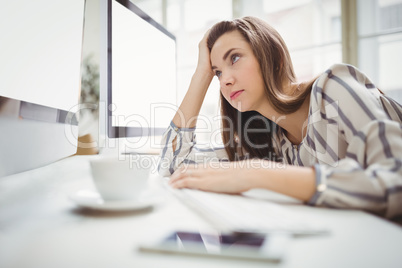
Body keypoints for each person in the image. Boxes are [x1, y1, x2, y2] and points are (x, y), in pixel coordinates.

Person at [158, 16, 402, 221]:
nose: (225, 80)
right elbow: (173, 167)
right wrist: (202, 74)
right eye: (218, 73)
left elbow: (396, 182)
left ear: (274, 57)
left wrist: (258, 174)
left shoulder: (334, 89)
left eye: (234, 58)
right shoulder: (268, 141)